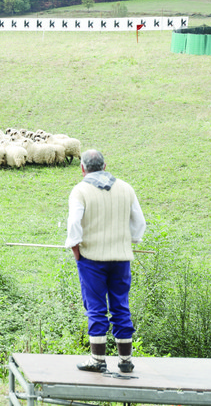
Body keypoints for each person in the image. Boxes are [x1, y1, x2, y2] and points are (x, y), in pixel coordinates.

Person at [65, 149, 146, 374]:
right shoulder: (126, 188)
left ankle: (98, 360)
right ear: (105, 165)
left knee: (96, 307)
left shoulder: (80, 190)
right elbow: (139, 222)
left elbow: (74, 223)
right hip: (121, 258)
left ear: (82, 168)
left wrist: (75, 247)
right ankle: (125, 360)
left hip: (92, 258)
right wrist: (129, 241)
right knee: (120, 305)